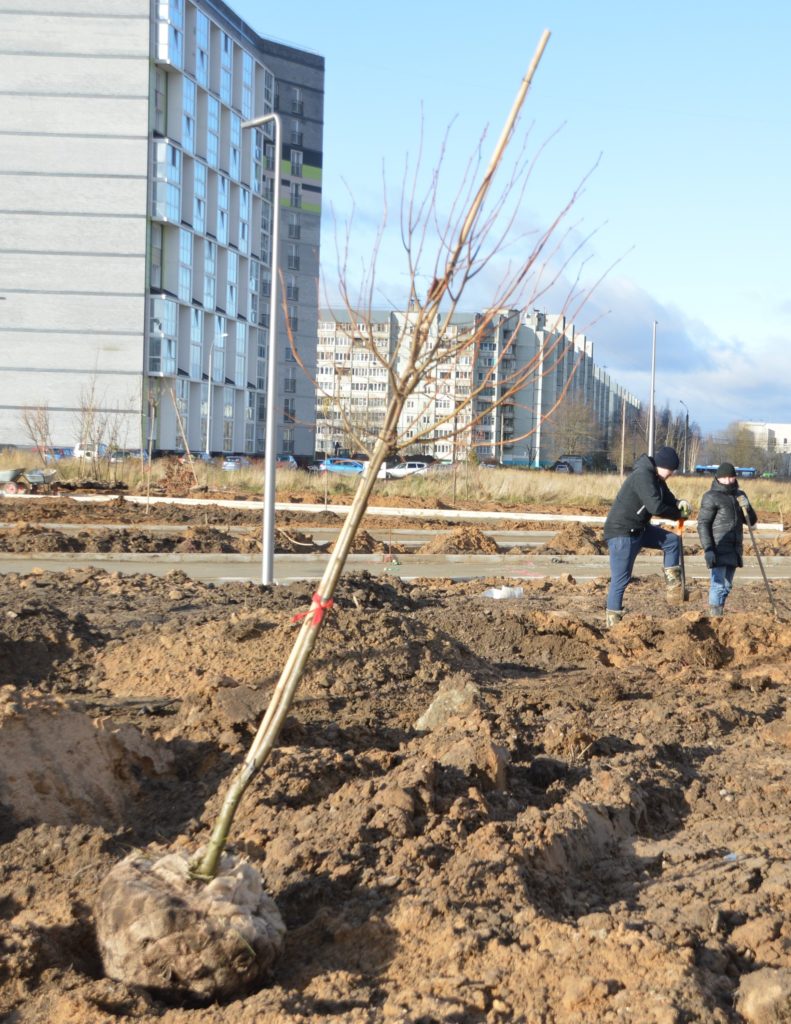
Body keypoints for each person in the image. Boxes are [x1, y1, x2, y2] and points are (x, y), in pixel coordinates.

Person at [603, 446, 691, 627]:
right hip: (622, 532)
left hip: (641, 529)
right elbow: (656, 507)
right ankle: (613, 623)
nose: (671, 474)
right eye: (671, 470)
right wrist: (677, 515)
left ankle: (674, 587)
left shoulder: (657, 479)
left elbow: (667, 498)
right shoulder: (643, 475)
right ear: (662, 465)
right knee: (621, 580)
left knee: (673, 540)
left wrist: (678, 503)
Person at [696, 461, 757, 617]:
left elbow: (751, 520)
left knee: (728, 585)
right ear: (718, 479)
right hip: (718, 546)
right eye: (725, 478)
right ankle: (715, 616)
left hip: (735, 547)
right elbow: (703, 524)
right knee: (718, 585)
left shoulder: (740, 495)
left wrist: (747, 507)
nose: (728, 481)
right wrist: (708, 549)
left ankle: (719, 611)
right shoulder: (711, 497)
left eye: (731, 477)